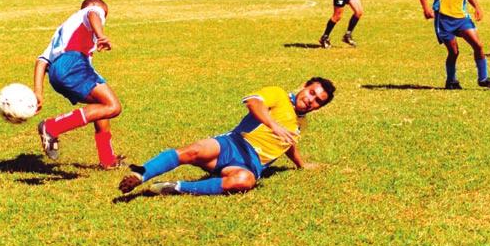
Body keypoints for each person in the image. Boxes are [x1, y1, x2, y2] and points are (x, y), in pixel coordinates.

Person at [118, 77, 336, 196]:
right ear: (304, 86)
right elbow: (253, 102)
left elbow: (287, 145)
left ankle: (175, 187)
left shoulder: (301, 124)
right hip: (234, 143)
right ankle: (140, 175)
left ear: (319, 107)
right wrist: (273, 124)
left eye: (317, 100)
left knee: (244, 181)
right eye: (311, 92)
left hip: (250, 165)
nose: (311, 100)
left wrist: (301, 164)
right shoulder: (278, 95)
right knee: (192, 151)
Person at [34, 0, 124, 169]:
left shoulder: (62, 30)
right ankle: (52, 126)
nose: (103, 18)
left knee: (101, 105)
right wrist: (100, 35)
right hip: (74, 63)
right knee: (114, 106)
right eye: (104, 15)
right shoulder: (91, 10)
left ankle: (107, 159)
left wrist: (38, 92)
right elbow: (92, 13)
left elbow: (41, 61)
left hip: (57, 72)